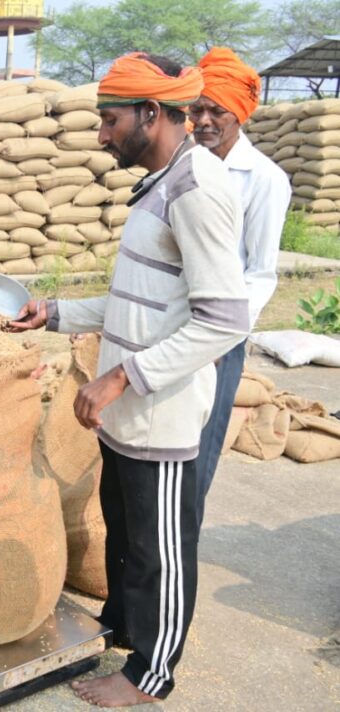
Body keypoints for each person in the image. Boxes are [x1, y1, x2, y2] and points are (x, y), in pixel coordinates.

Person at [9, 52, 248, 706]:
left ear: (152, 113)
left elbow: (224, 320)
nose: (101, 135)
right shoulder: (160, 184)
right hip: (127, 417)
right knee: (129, 536)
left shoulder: (197, 189)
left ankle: (151, 675)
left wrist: (120, 379)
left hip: (161, 414)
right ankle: (122, 630)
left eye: (110, 120)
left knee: (160, 550)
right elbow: (138, 300)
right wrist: (54, 313)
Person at [189, 47, 292, 527]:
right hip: (173, 323)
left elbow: (259, 273)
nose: (205, 121)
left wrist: (222, 335)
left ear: (240, 113)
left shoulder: (265, 180)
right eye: (197, 111)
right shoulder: (186, 164)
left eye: (216, 112)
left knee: (200, 446)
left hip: (218, 335)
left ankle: (181, 538)